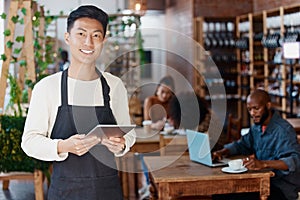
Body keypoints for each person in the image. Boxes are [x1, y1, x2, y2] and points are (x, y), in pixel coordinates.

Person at [21, 5, 135, 200]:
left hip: (108, 190)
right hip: (66, 191)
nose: (88, 42)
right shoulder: (48, 87)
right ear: (68, 37)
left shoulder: (114, 85)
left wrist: (122, 145)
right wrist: (63, 146)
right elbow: (29, 142)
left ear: (104, 40)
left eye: (96, 36)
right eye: (81, 34)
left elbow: (129, 134)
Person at [212, 89, 300, 200]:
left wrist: (263, 164)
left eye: (256, 108)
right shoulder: (257, 127)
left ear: (268, 105)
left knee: (227, 196)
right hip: (263, 182)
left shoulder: (283, 130)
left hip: (281, 189)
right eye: (249, 109)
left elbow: (295, 160)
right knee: (220, 193)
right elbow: (242, 144)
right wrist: (222, 152)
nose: (252, 113)